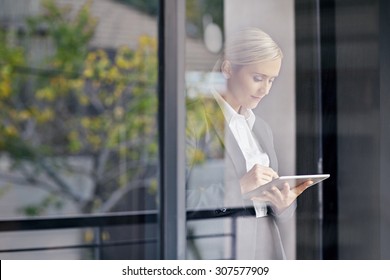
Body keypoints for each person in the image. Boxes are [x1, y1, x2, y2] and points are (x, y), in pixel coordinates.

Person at [186, 27, 312, 259]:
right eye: (258, 78)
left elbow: (269, 208)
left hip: (267, 248)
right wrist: (240, 187)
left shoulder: (260, 128)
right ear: (227, 69)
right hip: (222, 251)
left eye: (271, 80)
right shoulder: (194, 121)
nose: (265, 90)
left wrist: (283, 204)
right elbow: (178, 200)